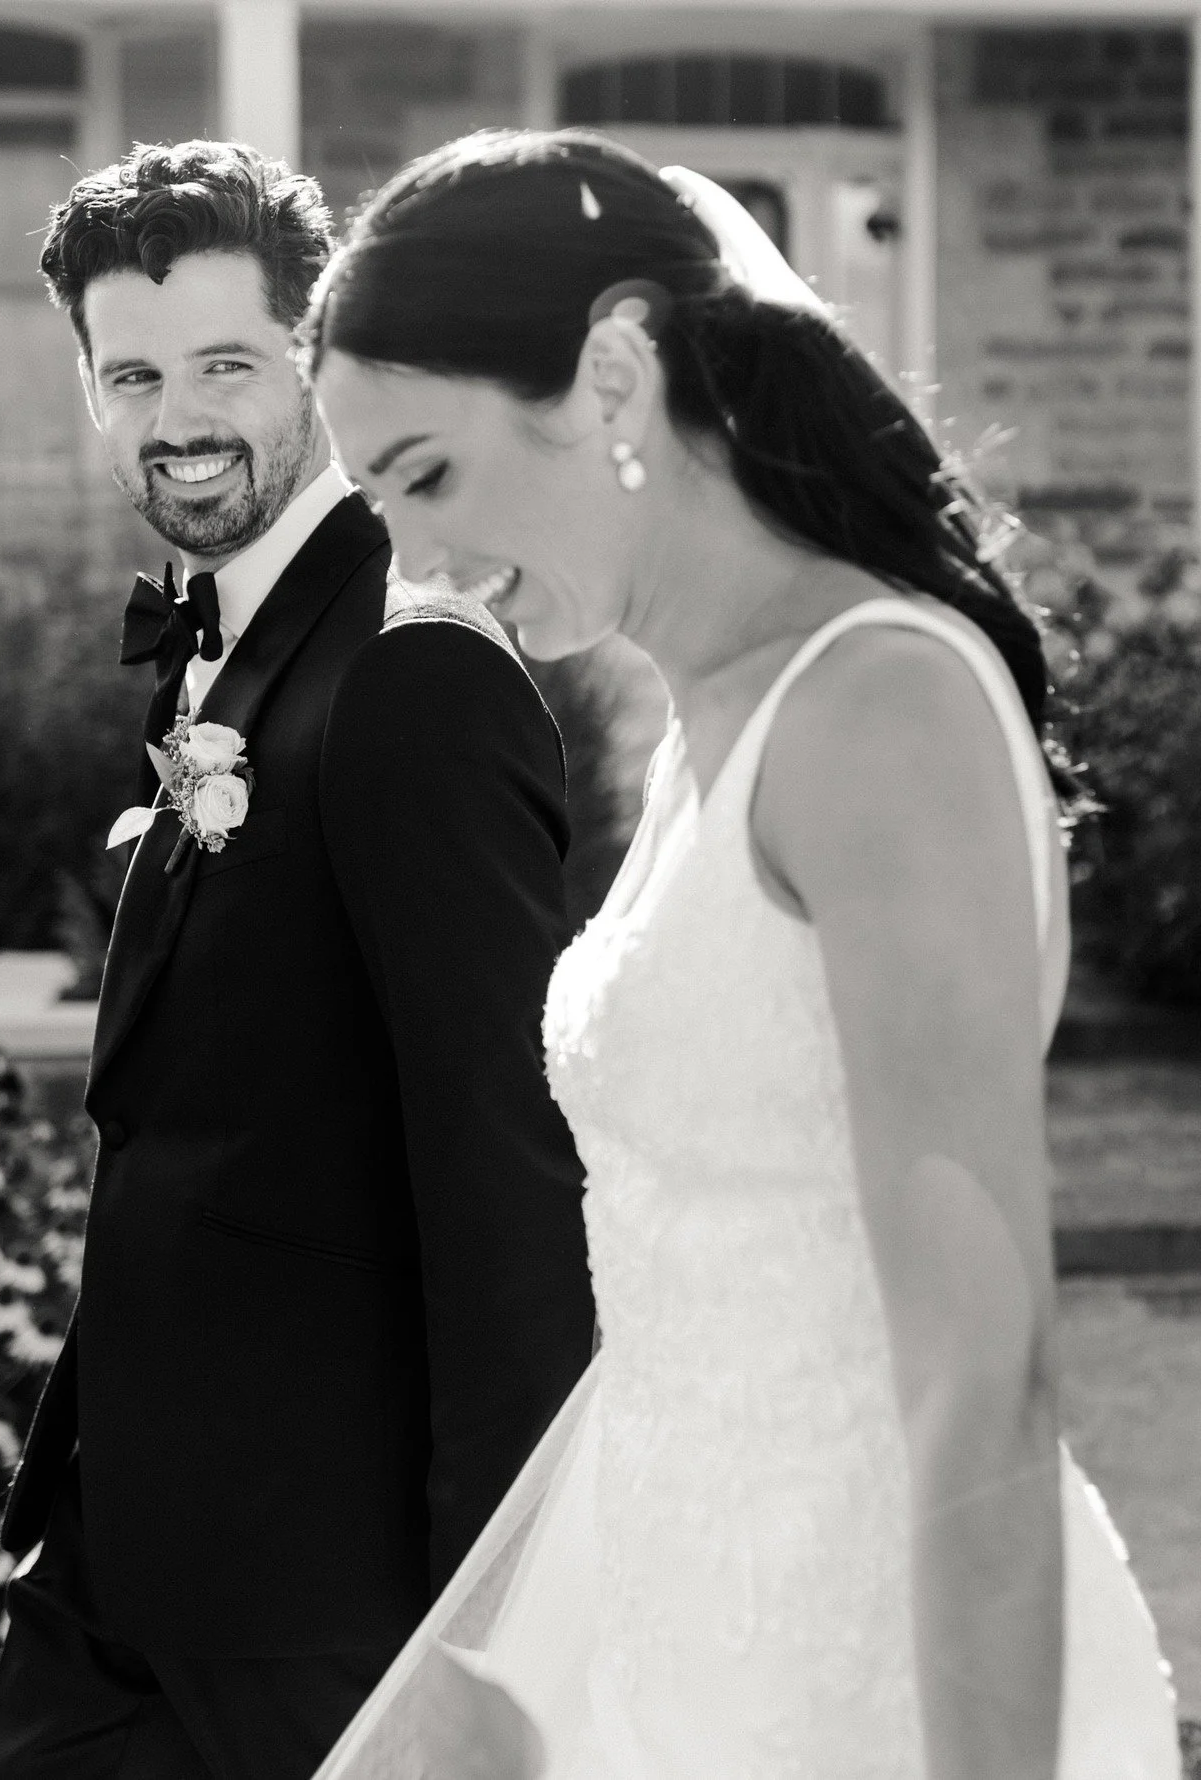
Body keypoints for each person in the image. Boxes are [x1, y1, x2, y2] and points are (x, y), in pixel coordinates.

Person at [301, 130, 1181, 1780]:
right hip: (678, 1657)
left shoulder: (880, 708)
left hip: (875, 1692)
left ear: (614, 371)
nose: (415, 566)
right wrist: (478, 1701)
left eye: (424, 475)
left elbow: (986, 1378)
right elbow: (688, 1303)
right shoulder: (694, 731)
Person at [0, 140, 595, 1780]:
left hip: (325, 1596)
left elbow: (509, 1178)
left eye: (228, 364)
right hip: (136, 1557)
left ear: (315, 360)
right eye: (133, 375)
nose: (177, 416)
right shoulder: (240, 651)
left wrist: (494, 1634)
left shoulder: (413, 672)